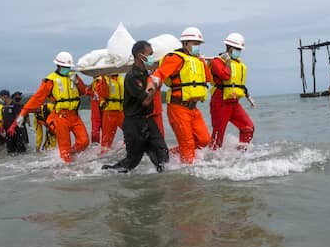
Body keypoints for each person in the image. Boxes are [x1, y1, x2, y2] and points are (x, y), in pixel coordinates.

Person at [147, 27, 212, 164]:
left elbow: (208, 78)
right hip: (178, 108)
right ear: (185, 43)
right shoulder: (175, 58)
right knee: (187, 144)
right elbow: (159, 74)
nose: (197, 47)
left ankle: (170, 155)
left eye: (198, 44)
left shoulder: (197, 60)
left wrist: (202, 62)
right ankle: (187, 175)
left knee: (204, 139)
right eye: (194, 44)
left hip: (193, 108)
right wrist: (150, 84)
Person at [102, 41, 168, 172]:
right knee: (132, 161)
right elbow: (145, 101)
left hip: (147, 120)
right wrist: (154, 86)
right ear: (140, 55)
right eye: (150, 54)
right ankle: (107, 172)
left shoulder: (146, 75)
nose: (152, 58)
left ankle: (162, 181)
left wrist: (155, 82)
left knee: (162, 154)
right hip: (134, 123)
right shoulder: (132, 77)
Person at [12, 52, 89, 162]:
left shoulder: (74, 76)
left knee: (84, 141)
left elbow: (83, 92)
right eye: (65, 67)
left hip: (75, 116)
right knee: (64, 146)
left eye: (69, 67)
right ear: (58, 66)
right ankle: (67, 170)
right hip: (61, 117)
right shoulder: (50, 80)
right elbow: (37, 98)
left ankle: (71, 154)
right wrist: (23, 113)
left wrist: (77, 81)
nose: (67, 69)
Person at [209, 32, 255, 149]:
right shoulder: (217, 62)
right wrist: (228, 61)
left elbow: (240, 85)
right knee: (218, 136)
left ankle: (241, 154)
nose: (239, 52)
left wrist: (248, 97)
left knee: (248, 127)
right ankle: (211, 160)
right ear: (229, 48)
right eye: (237, 49)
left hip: (234, 102)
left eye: (240, 49)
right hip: (220, 102)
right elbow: (226, 76)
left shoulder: (239, 64)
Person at [97, 74, 125, 153]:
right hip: (109, 112)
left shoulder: (121, 79)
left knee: (130, 131)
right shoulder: (101, 79)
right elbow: (102, 94)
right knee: (106, 139)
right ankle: (103, 156)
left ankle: (127, 150)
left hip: (121, 111)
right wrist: (104, 80)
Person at [87, 76, 103, 144]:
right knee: (95, 131)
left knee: (103, 129)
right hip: (96, 110)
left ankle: (102, 146)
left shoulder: (102, 83)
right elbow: (87, 92)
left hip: (102, 109)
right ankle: (96, 145)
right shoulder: (93, 85)